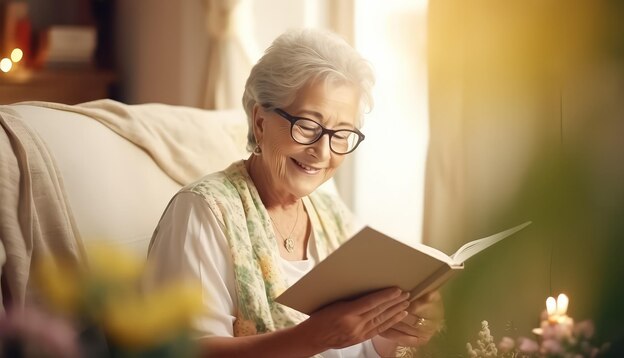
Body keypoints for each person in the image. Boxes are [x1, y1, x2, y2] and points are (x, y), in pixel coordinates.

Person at [145, 28, 444, 357]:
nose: (323, 151)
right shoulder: (203, 211)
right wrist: (312, 337)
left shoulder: (331, 215)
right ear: (260, 121)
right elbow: (182, 353)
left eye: (341, 134)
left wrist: (398, 327)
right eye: (307, 125)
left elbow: (360, 351)